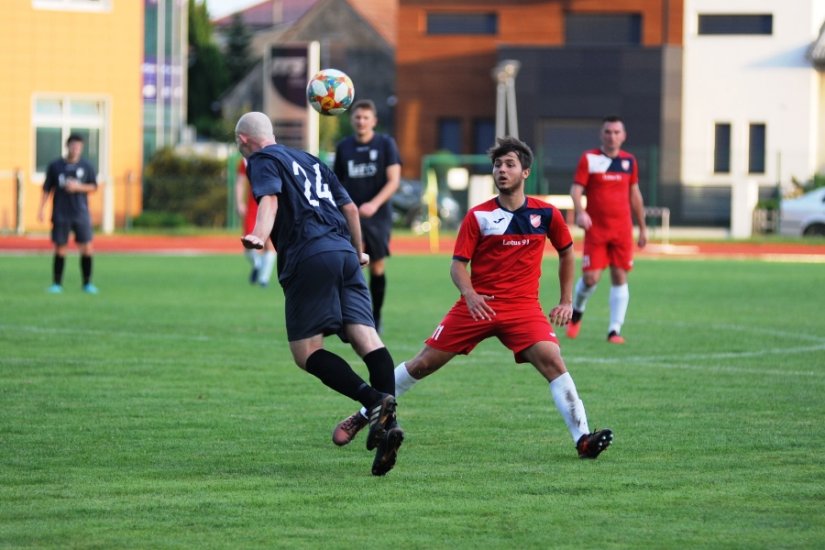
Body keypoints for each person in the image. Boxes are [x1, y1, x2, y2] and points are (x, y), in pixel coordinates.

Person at [332, 136, 613, 460]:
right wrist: (469, 294)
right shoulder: (478, 216)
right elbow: (457, 266)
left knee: (554, 362)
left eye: (509, 164)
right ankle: (365, 413)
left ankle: (583, 440)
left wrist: (566, 300)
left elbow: (566, 252)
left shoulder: (546, 214)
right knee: (422, 364)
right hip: (477, 305)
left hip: (522, 308)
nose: (501, 170)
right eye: (497, 165)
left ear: (525, 172)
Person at [235, 112, 404, 476]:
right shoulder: (310, 159)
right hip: (343, 250)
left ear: (244, 141)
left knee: (306, 352)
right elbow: (349, 208)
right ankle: (388, 427)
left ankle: (374, 400)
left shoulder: (261, 159)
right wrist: (358, 251)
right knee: (367, 337)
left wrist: (259, 236)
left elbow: (270, 200)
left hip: (308, 255)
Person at [566, 116, 648, 344]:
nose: (612, 136)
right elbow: (576, 189)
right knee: (591, 278)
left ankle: (614, 330)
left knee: (620, 276)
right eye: (608, 132)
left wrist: (642, 228)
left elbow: (635, 195)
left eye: (616, 132)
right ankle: (577, 311)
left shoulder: (629, 161)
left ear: (623, 136)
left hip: (622, 230)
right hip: (597, 230)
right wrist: (580, 211)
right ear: (602, 135)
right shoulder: (589, 159)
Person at [334, 99, 401, 333]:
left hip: (378, 216)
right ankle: (350, 318)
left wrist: (373, 204)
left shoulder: (385, 144)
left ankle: (376, 317)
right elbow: (337, 183)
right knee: (352, 264)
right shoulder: (344, 147)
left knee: (377, 266)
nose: (361, 121)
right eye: (357, 117)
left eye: (365, 118)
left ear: (374, 121)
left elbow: (394, 180)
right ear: (352, 120)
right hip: (351, 216)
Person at [37, 133, 99, 294]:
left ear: (81, 148)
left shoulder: (87, 166)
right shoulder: (55, 166)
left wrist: (78, 187)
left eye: (78, 146)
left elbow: (93, 186)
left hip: (81, 213)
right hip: (61, 213)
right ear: (67, 146)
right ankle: (57, 284)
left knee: (86, 247)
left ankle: (87, 283)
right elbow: (46, 189)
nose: (75, 149)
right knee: (60, 248)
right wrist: (41, 209)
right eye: (73, 145)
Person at [235, 158, 276, 287]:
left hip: (271, 205)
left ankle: (264, 278)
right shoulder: (246, 161)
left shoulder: (275, 158)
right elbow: (240, 182)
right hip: (253, 206)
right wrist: (239, 203)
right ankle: (258, 264)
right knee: (248, 243)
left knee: (270, 244)